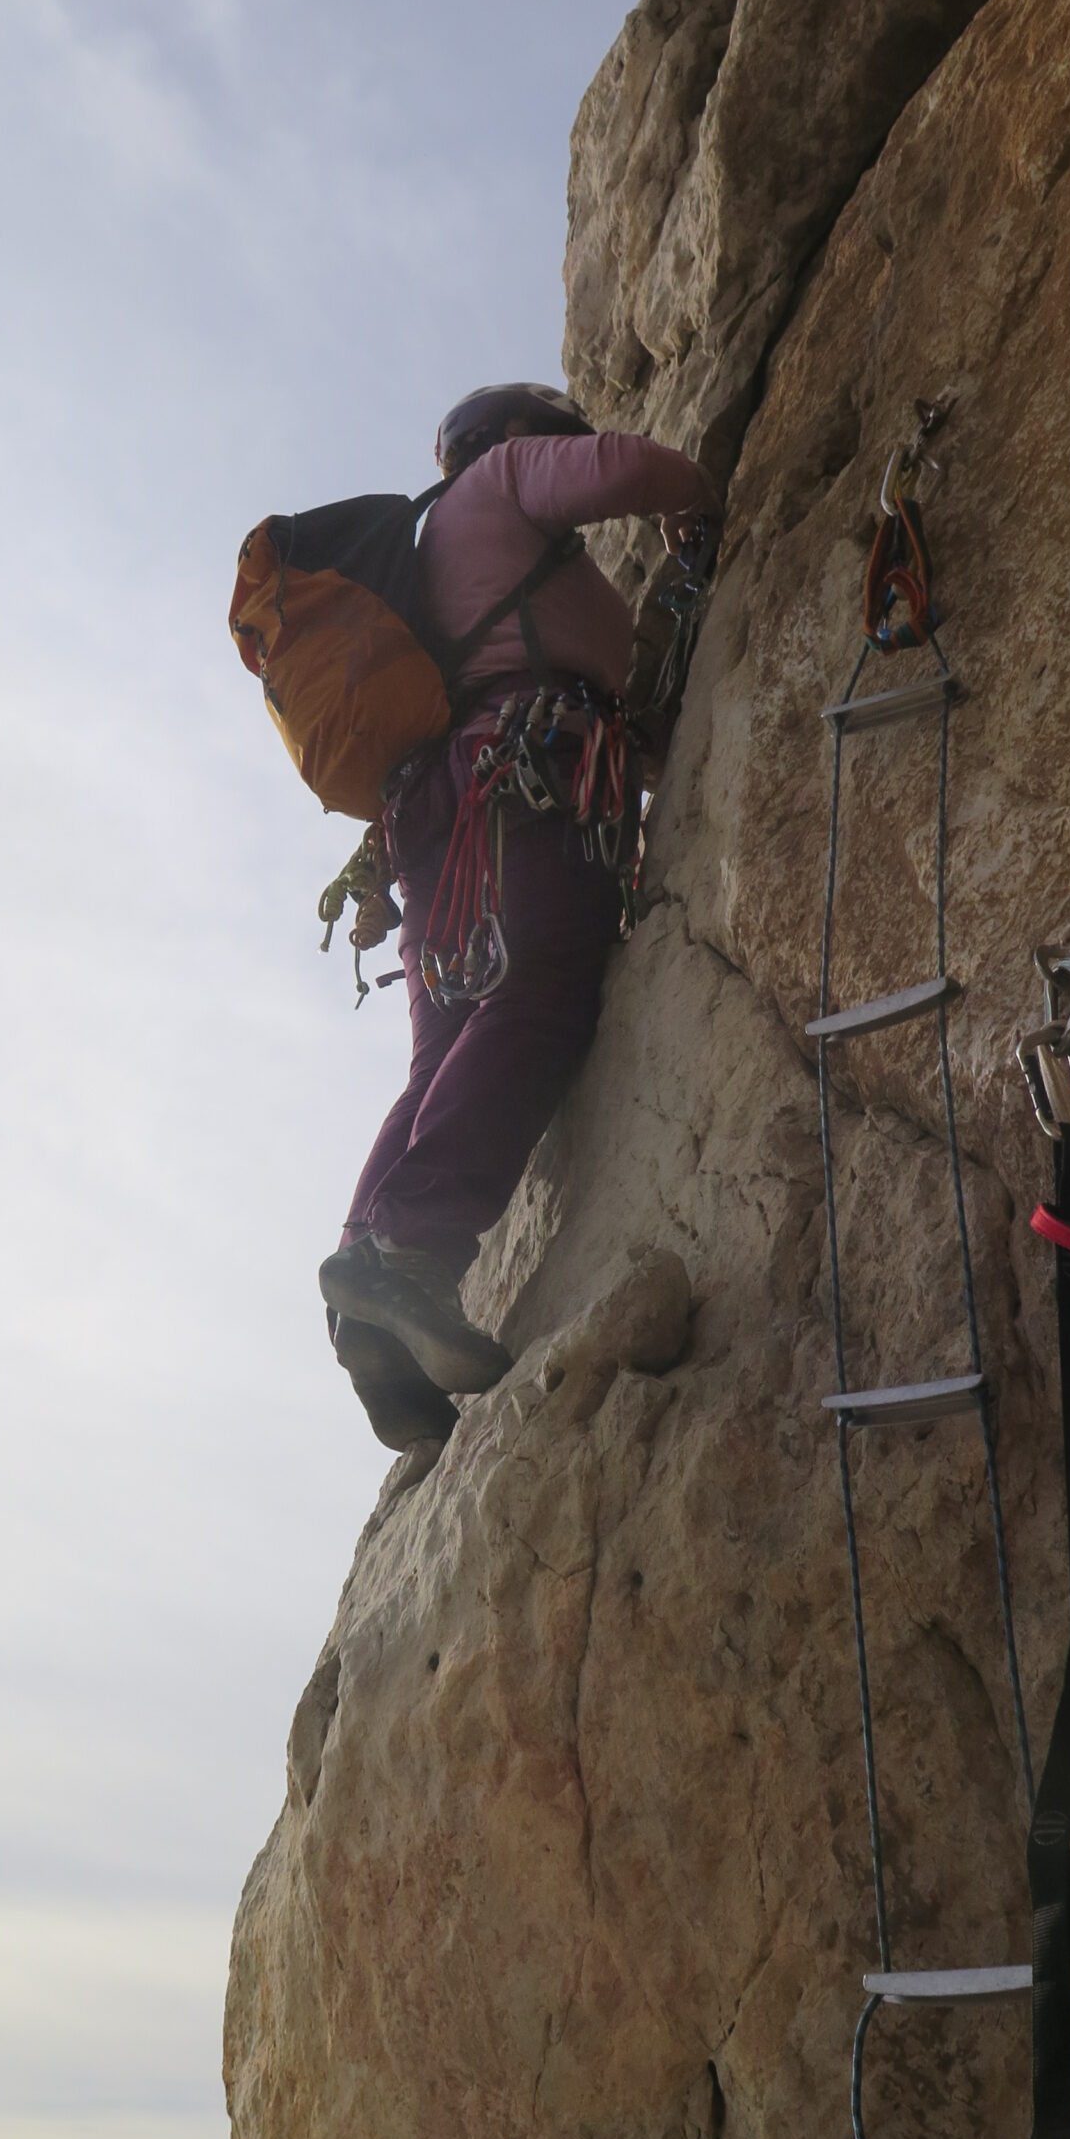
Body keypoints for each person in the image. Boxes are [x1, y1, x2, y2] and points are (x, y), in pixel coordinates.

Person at [318, 383, 720, 1448]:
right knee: (539, 993)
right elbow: (638, 469)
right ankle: (410, 1251)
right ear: (506, 441)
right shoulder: (498, 481)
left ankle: (371, 1288)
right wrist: (694, 505)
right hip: (521, 777)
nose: (562, 453)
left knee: (448, 1050)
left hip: (442, 815)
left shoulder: (433, 564)